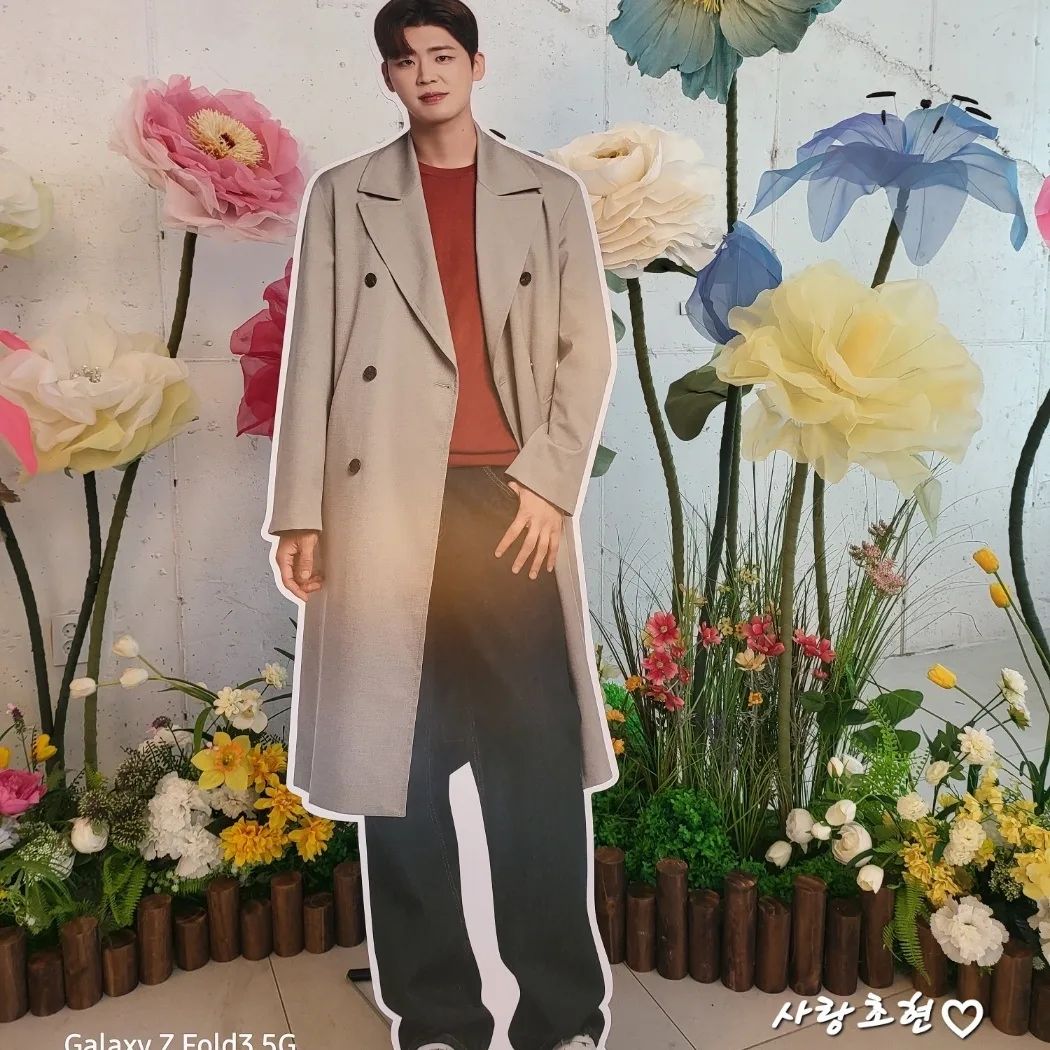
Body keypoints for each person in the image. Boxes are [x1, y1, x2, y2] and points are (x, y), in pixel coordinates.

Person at [265, 2, 617, 1048]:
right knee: (401, 768)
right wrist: (298, 511)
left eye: (442, 55)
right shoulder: (345, 195)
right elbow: (311, 356)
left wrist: (550, 486)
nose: (426, 73)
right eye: (406, 59)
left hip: (507, 505)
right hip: (381, 501)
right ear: (387, 76)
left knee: (533, 764)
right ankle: (434, 1017)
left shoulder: (549, 194)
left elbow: (585, 352)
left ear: (476, 65)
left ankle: (562, 1013)